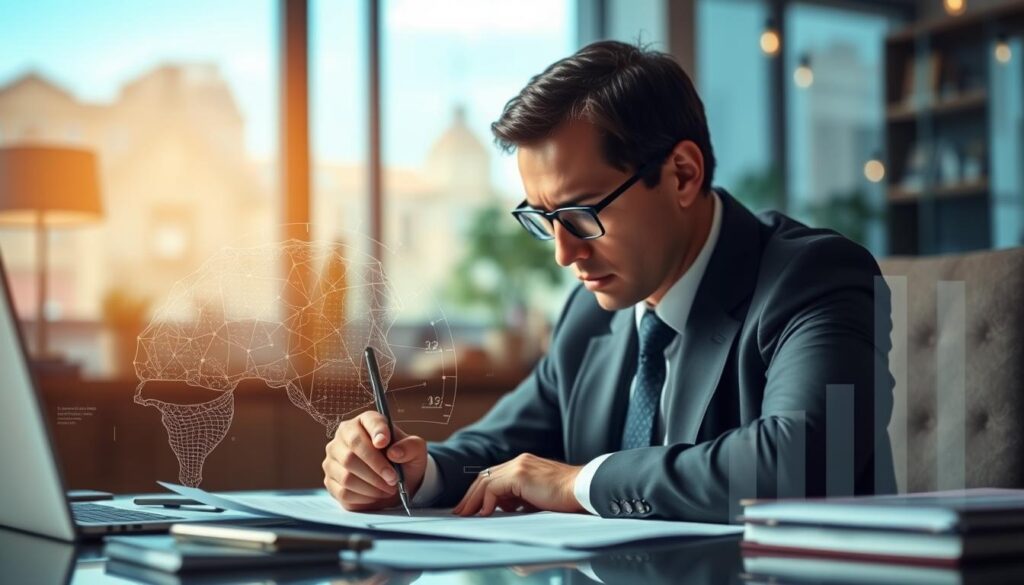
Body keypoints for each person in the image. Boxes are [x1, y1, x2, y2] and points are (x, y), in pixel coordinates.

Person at [322, 40, 896, 523]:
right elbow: (504, 449)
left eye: (580, 215)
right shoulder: (590, 315)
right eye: (544, 221)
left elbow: (809, 461)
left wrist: (581, 484)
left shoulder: (814, 278)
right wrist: (413, 471)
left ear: (682, 175)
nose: (564, 254)